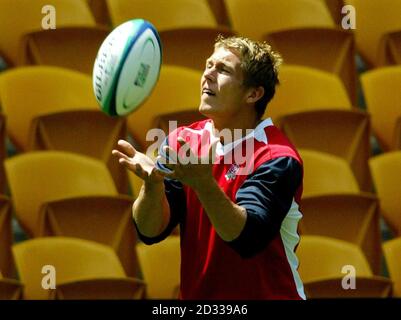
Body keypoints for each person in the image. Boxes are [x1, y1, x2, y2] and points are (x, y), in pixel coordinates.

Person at [112, 35, 305, 300]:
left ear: (253, 93)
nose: (207, 75)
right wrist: (152, 185)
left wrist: (203, 183)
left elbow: (246, 239)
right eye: (208, 65)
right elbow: (150, 231)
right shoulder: (183, 141)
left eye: (223, 69)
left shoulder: (276, 157)